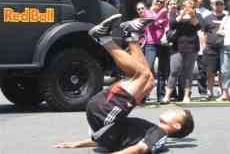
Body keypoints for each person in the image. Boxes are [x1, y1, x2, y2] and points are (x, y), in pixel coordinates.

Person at [55, 14, 194, 153]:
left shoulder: (159, 135)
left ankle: (104, 38)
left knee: (143, 76)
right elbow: (108, 134)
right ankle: (131, 35)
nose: (172, 109)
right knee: (148, 80)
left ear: (177, 126)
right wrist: (77, 144)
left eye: (176, 112)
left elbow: (139, 149)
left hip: (104, 114)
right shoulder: (151, 129)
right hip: (103, 115)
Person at [163, 0, 201, 103]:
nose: (187, 6)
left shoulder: (196, 14)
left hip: (192, 46)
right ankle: (167, 96)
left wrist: (192, 14)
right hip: (177, 47)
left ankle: (186, 96)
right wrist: (183, 13)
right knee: (174, 71)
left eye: (190, 4)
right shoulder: (176, 14)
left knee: (188, 73)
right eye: (185, 4)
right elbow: (173, 24)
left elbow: (198, 26)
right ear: (182, 5)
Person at [203, 0, 227, 100]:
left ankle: (223, 93)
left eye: (220, 4)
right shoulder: (207, 18)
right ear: (212, 6)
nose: (218, 6)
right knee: (210, 72)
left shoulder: (227, 17)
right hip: (211, 49)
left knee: (223, 72)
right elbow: (204, 33)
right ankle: (210, 92)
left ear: (224, 6)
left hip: (224, 48)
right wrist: (204, 47)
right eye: (216, 4)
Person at [195, 0, 211, 97]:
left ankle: (202, 91)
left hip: (201, 42)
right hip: (189, 42)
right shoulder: (189, 10)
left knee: (202, 68)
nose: (201, 0)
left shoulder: (206, 12)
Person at [217, 13, 230, 101]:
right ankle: (225, 93)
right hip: (226, 47)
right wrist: (221, 32)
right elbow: (219, 30)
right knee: (225, 71)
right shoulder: (226, 18)